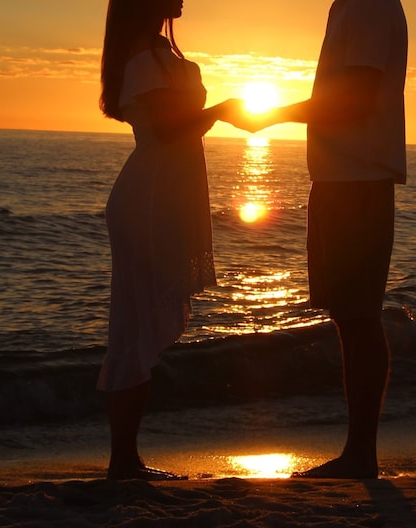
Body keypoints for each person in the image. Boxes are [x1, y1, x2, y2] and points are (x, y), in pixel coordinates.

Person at [248, 0, 408, 479]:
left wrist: (270, 113)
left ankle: (361, 455)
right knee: (350, 317)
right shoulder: (352, 6)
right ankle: (358, 452)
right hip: (343, 179)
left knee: (358, 316)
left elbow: (355, 99)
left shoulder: (367, 5)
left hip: (356, 182)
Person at [97, 0, 246, 480]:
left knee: (141, 325)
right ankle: (123, 461)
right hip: (150, 198)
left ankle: (127, 458)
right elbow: (165, 130)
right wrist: (220, 111)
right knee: (134, 326)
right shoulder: (142, 58)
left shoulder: (160, 51)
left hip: (169, 195)